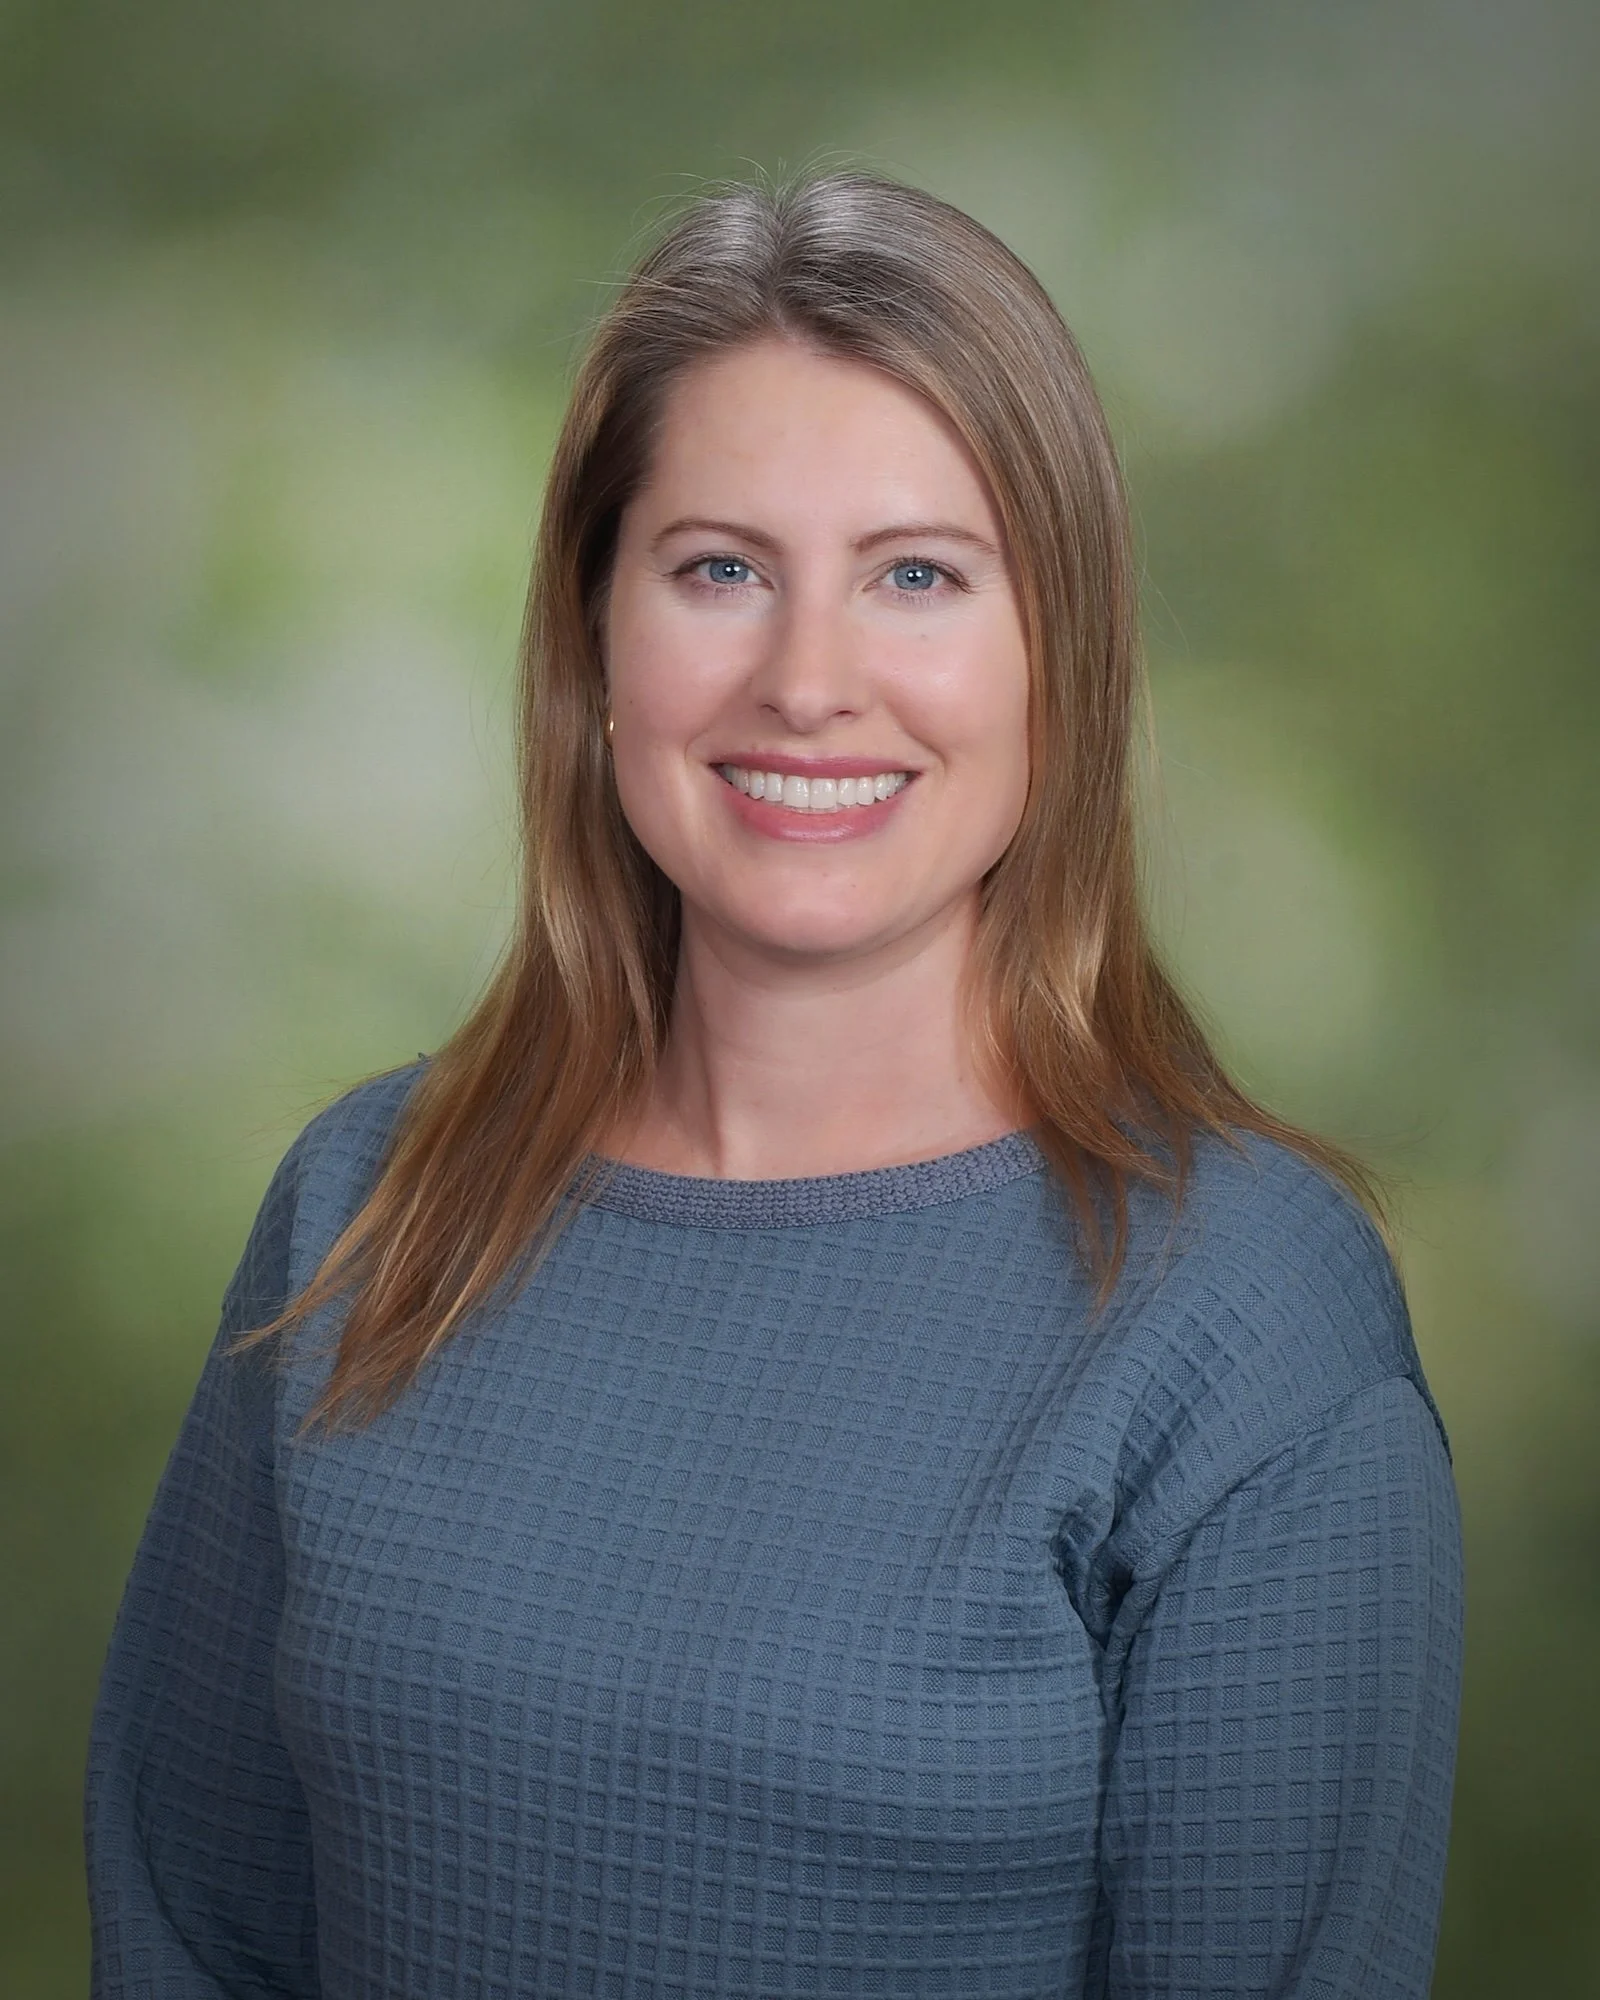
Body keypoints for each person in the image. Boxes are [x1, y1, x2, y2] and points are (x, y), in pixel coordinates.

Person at [85, 172, 1463, 1999]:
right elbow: (190, 1927)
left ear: (1060, 652)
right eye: (720, 570)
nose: (809, 682)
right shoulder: (368, 1204)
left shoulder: (1245, 1320)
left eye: (919, 576)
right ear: (596, 633)